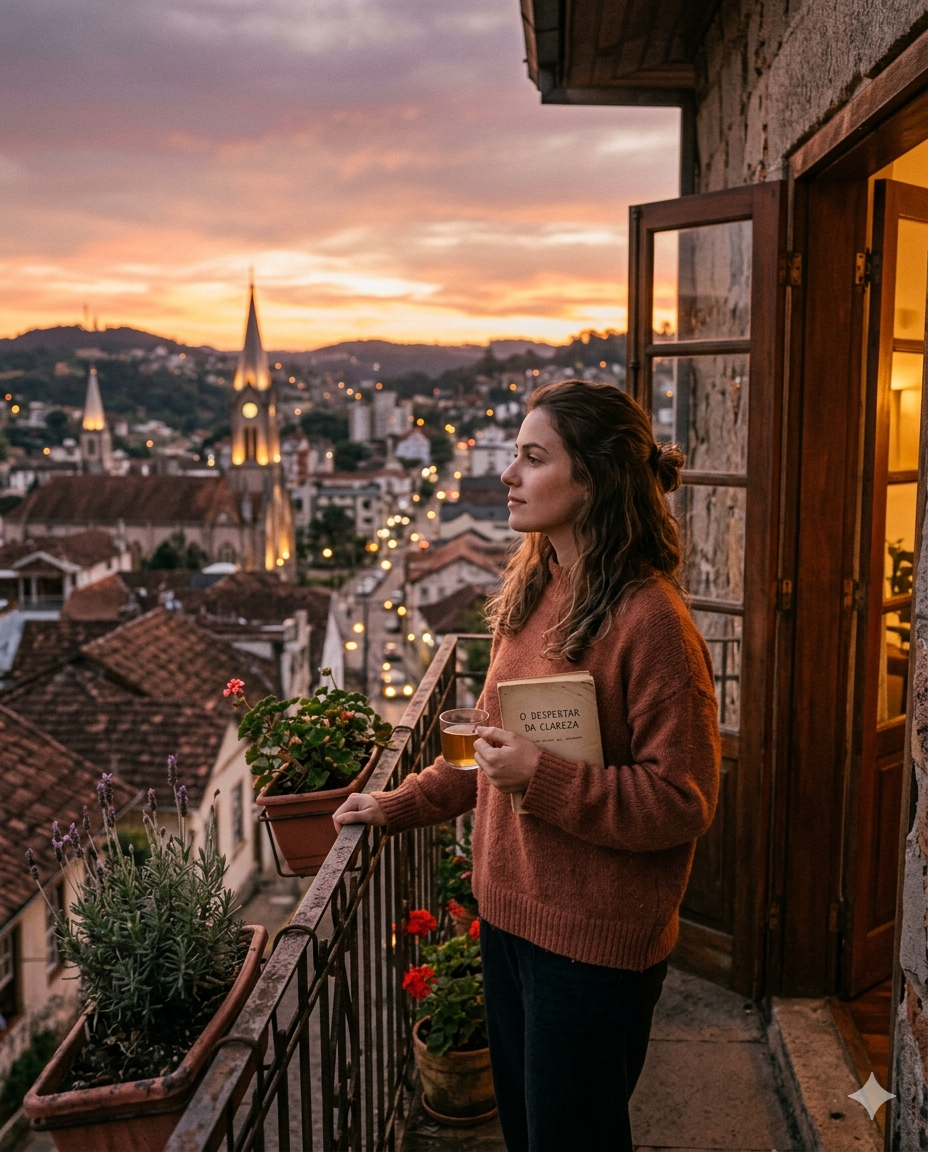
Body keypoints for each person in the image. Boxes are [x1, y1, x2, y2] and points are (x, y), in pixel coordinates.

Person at [333, 379, 721, 1152]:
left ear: (595, 478)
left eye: (532, 458)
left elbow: (681, 801)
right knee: (528, 1134)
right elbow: (486, 750)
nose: (508, 474)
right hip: (510, 922)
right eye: (514, 455)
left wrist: (540, 778)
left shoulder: (652, 622)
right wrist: (393, 804)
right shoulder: (537, 589)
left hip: (595, 948)